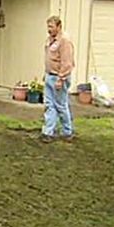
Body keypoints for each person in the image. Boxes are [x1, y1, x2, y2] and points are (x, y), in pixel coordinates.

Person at [41, 15, 75, 143]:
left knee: (60, 105)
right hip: (50, 76)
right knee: (49, 105)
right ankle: (48, 132)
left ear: (59, 26)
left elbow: (67, 62)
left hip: (59, 77)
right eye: (48, 26)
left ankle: (67, 132)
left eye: (51, 26)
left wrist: (61, 78)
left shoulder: (64, 41)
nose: (49, 29)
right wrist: (46, 73)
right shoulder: (50, 40)